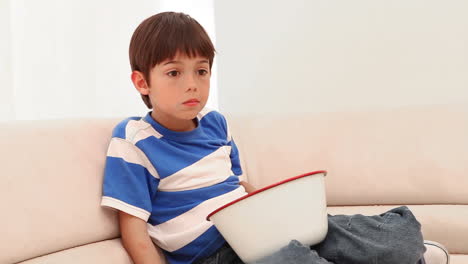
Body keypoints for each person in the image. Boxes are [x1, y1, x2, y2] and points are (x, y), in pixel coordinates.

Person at [101, 12, 448, 264]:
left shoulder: (216, 124)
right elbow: (134, 229)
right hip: (214, 255)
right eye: (174, 72)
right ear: (142, 83)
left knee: (392, 236)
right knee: (293, 260)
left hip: (261, 231)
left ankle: (401, 252)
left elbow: (239, 187)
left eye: (202, 71)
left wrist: (281, 219)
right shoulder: (133, 139)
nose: (192, 84)